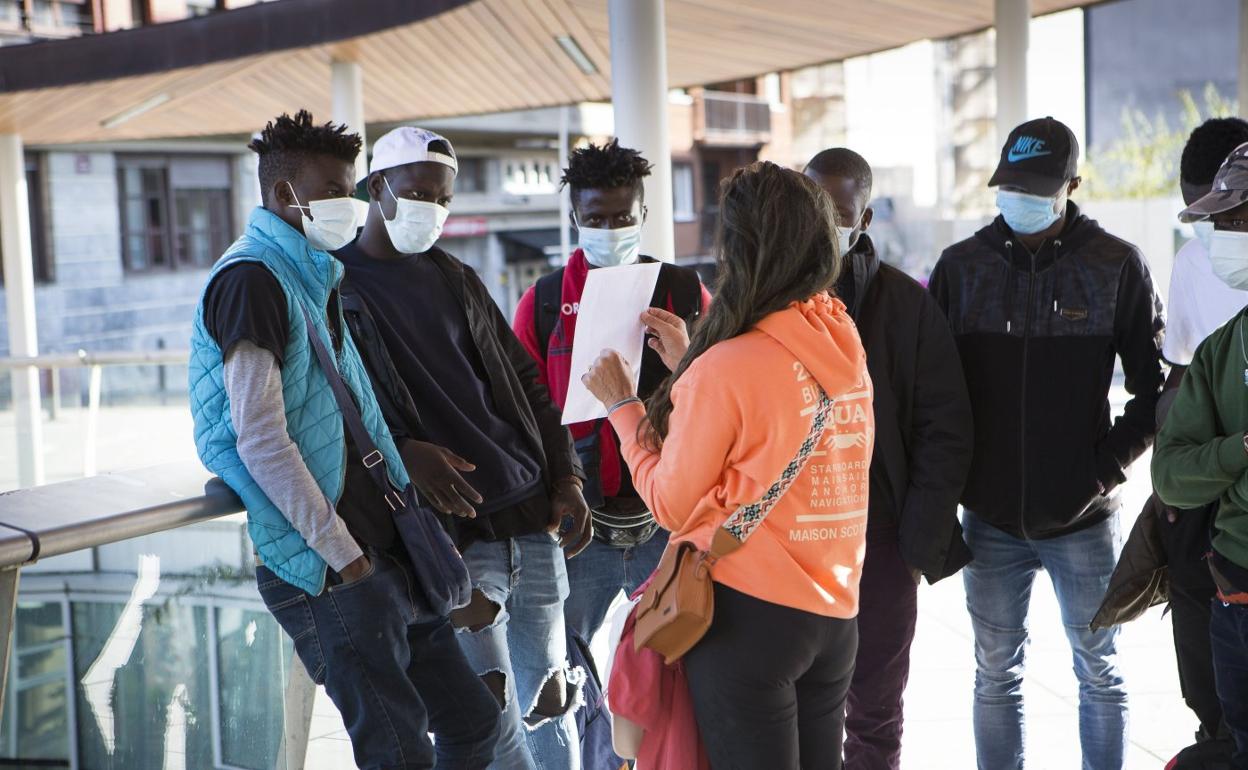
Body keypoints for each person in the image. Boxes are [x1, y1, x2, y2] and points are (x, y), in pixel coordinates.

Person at [188, 111, 500, 770]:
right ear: (282, 196)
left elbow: (358, 419)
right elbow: (260, 437)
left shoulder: (311, 273)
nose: (350, 204)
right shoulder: (252, 280)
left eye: (350, 188)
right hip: (328, 569)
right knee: (398, 752)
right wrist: (345, 558)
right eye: (333, 189)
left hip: (382, 550)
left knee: (473, 724)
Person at [584, 161, 874, 770]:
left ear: (742, 249)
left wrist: (622, 407)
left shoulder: (729, 367)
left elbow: (671, 502)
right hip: (837, 612)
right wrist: (694, 364)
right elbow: (776, 421)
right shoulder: (840, 337)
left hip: (750, 617)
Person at [334, 125, 590, 770]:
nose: (432, 209)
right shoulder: (334, 285)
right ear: (376, 188)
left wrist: (567, 480)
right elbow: (330, 410)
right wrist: (403, 450)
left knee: (551, 708)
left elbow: (524, 381)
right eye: (418, 192)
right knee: (488, 733)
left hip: (531, 517)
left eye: (443, 199)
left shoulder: (456, 275)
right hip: (453, 538)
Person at [929, 116, 1165, 770]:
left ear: (1072, 185)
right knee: (995, 675)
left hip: (1083, 521)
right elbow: (933, 394)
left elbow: (1154, 392)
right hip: (989, 521)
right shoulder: (961, 267)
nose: (1019, 199)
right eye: (1011, 185)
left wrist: (1102, 470)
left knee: (1100, 671)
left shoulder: (1115, 265)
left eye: (1037, 186)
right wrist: (955, 486)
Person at [804, 148, 974, 770]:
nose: (824, 225)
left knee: (875, 710)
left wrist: (915, 541)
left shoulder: (906, 305)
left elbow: (945, 428)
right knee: (797, 709)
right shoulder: (762, 302)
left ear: (866, 217)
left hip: (881, 541)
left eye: (839, 212)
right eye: (812, 208)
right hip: (791, 544)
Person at [512, 139, 710, 648]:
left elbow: (722, 399)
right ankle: (593, 734)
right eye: (595, 218)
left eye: (622, 217)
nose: (609, 230)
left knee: (675, 660)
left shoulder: (684, 292)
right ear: (575, 216)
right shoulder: (545, 301)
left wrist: (686, 359)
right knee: (569, 668)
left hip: (669, 514)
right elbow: (521, 413)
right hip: (581, 521)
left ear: (643, 213)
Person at [1153, 140, 1248, 770]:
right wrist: (1237, 449)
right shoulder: (1222, 349)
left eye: (1237, 220)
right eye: (1218, 223)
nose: (1221, 235)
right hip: (1233, 594)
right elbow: (1171, 473)